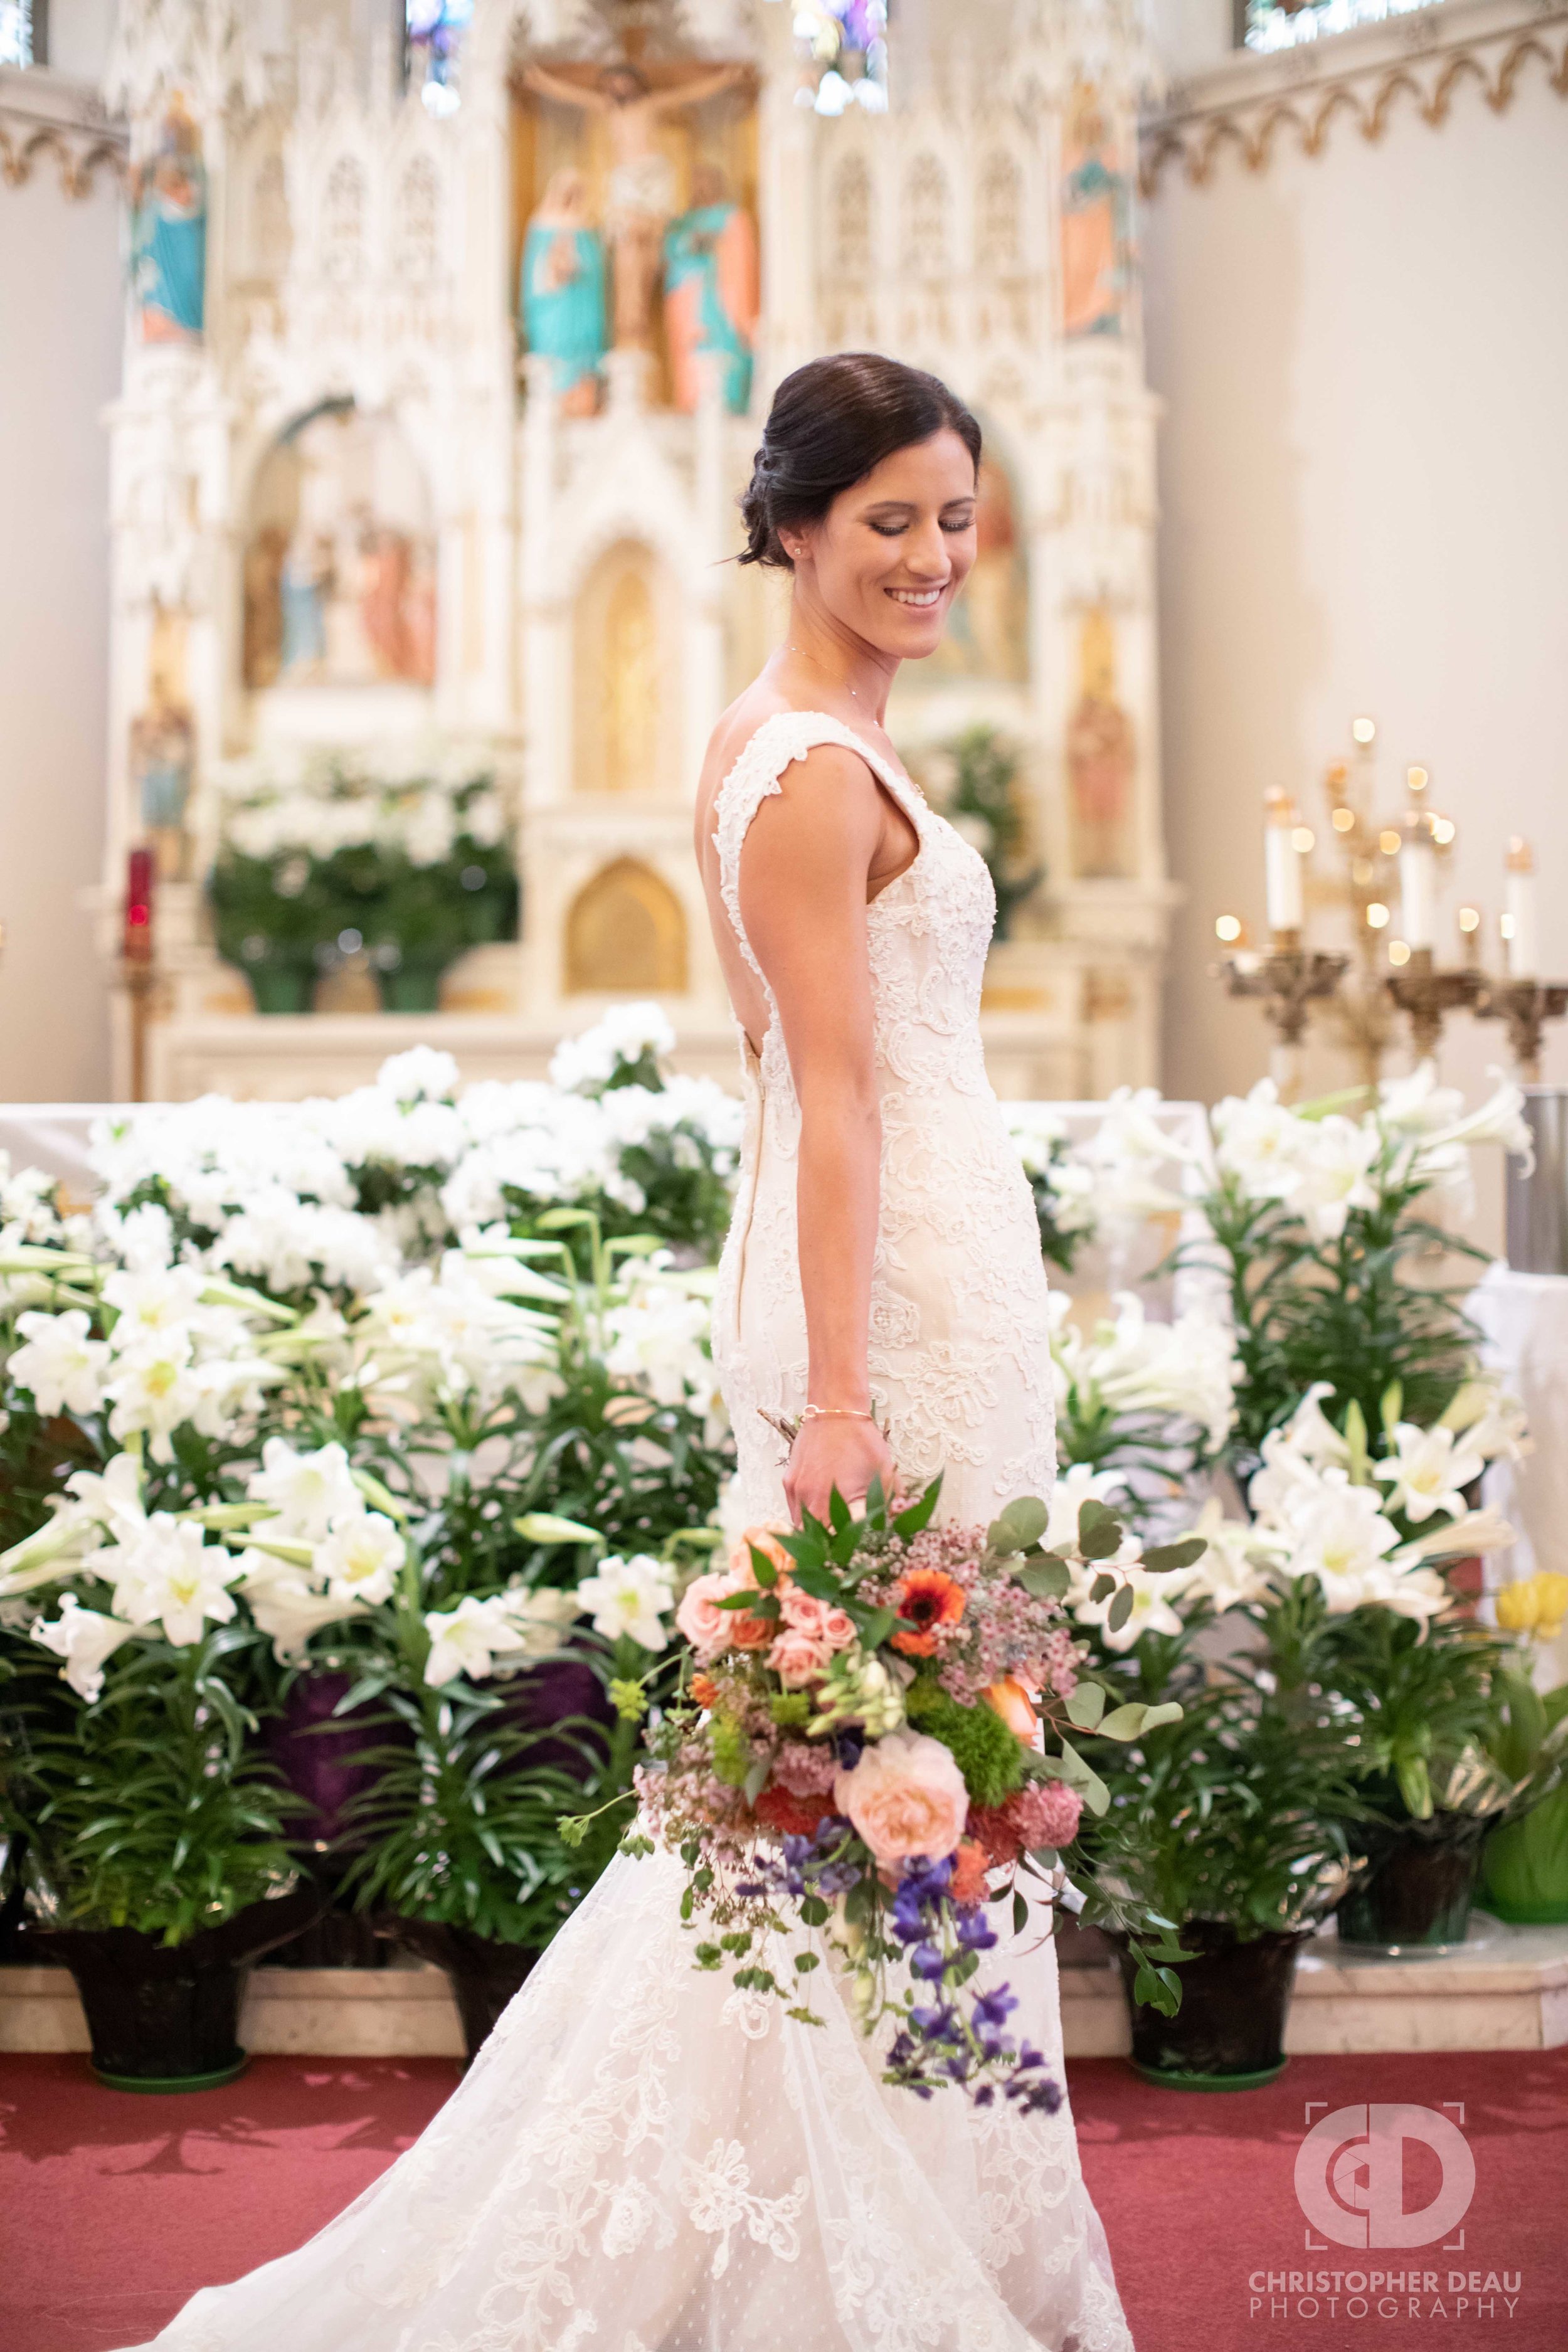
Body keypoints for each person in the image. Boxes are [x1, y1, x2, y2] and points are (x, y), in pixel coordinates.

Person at [117, 353, 1132, 2352]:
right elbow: (819, 1092)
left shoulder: (806, 735)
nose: (933, 554)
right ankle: (831, 2250)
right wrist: (837, 1392)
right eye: (889, 522)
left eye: (954, 515)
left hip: (905, 1276)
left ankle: (879, 2202)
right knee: (872, 1760)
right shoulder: (810, 767)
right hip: (884, 1309)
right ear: (787, 527)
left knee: (877, 1765)